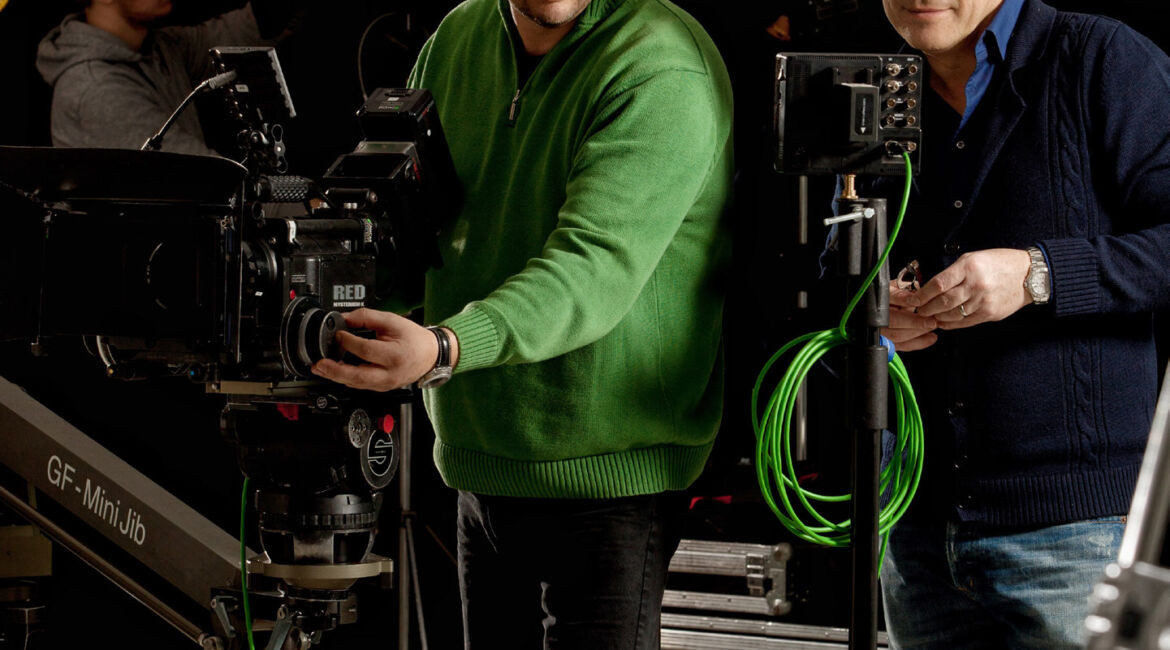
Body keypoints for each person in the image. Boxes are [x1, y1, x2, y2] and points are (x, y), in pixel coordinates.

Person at [310, 0, 734, 646]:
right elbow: (414, 230)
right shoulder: (457, 38)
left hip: (609, 482)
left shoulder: (662, 63)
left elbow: (590, 270)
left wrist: (445, 348)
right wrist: (334, 287)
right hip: (480, 465)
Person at [856, 0, 1170, 646]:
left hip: (1077, 535)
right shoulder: (866, 82)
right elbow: (825, 268)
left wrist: (1039, 274)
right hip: (913, 533)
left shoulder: (1103, 59)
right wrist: (871, 314)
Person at [36, 0, 271, 155]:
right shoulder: (96, 88)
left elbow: (241, 33)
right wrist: (290, 200)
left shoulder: (161, 47)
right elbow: (208, 180)